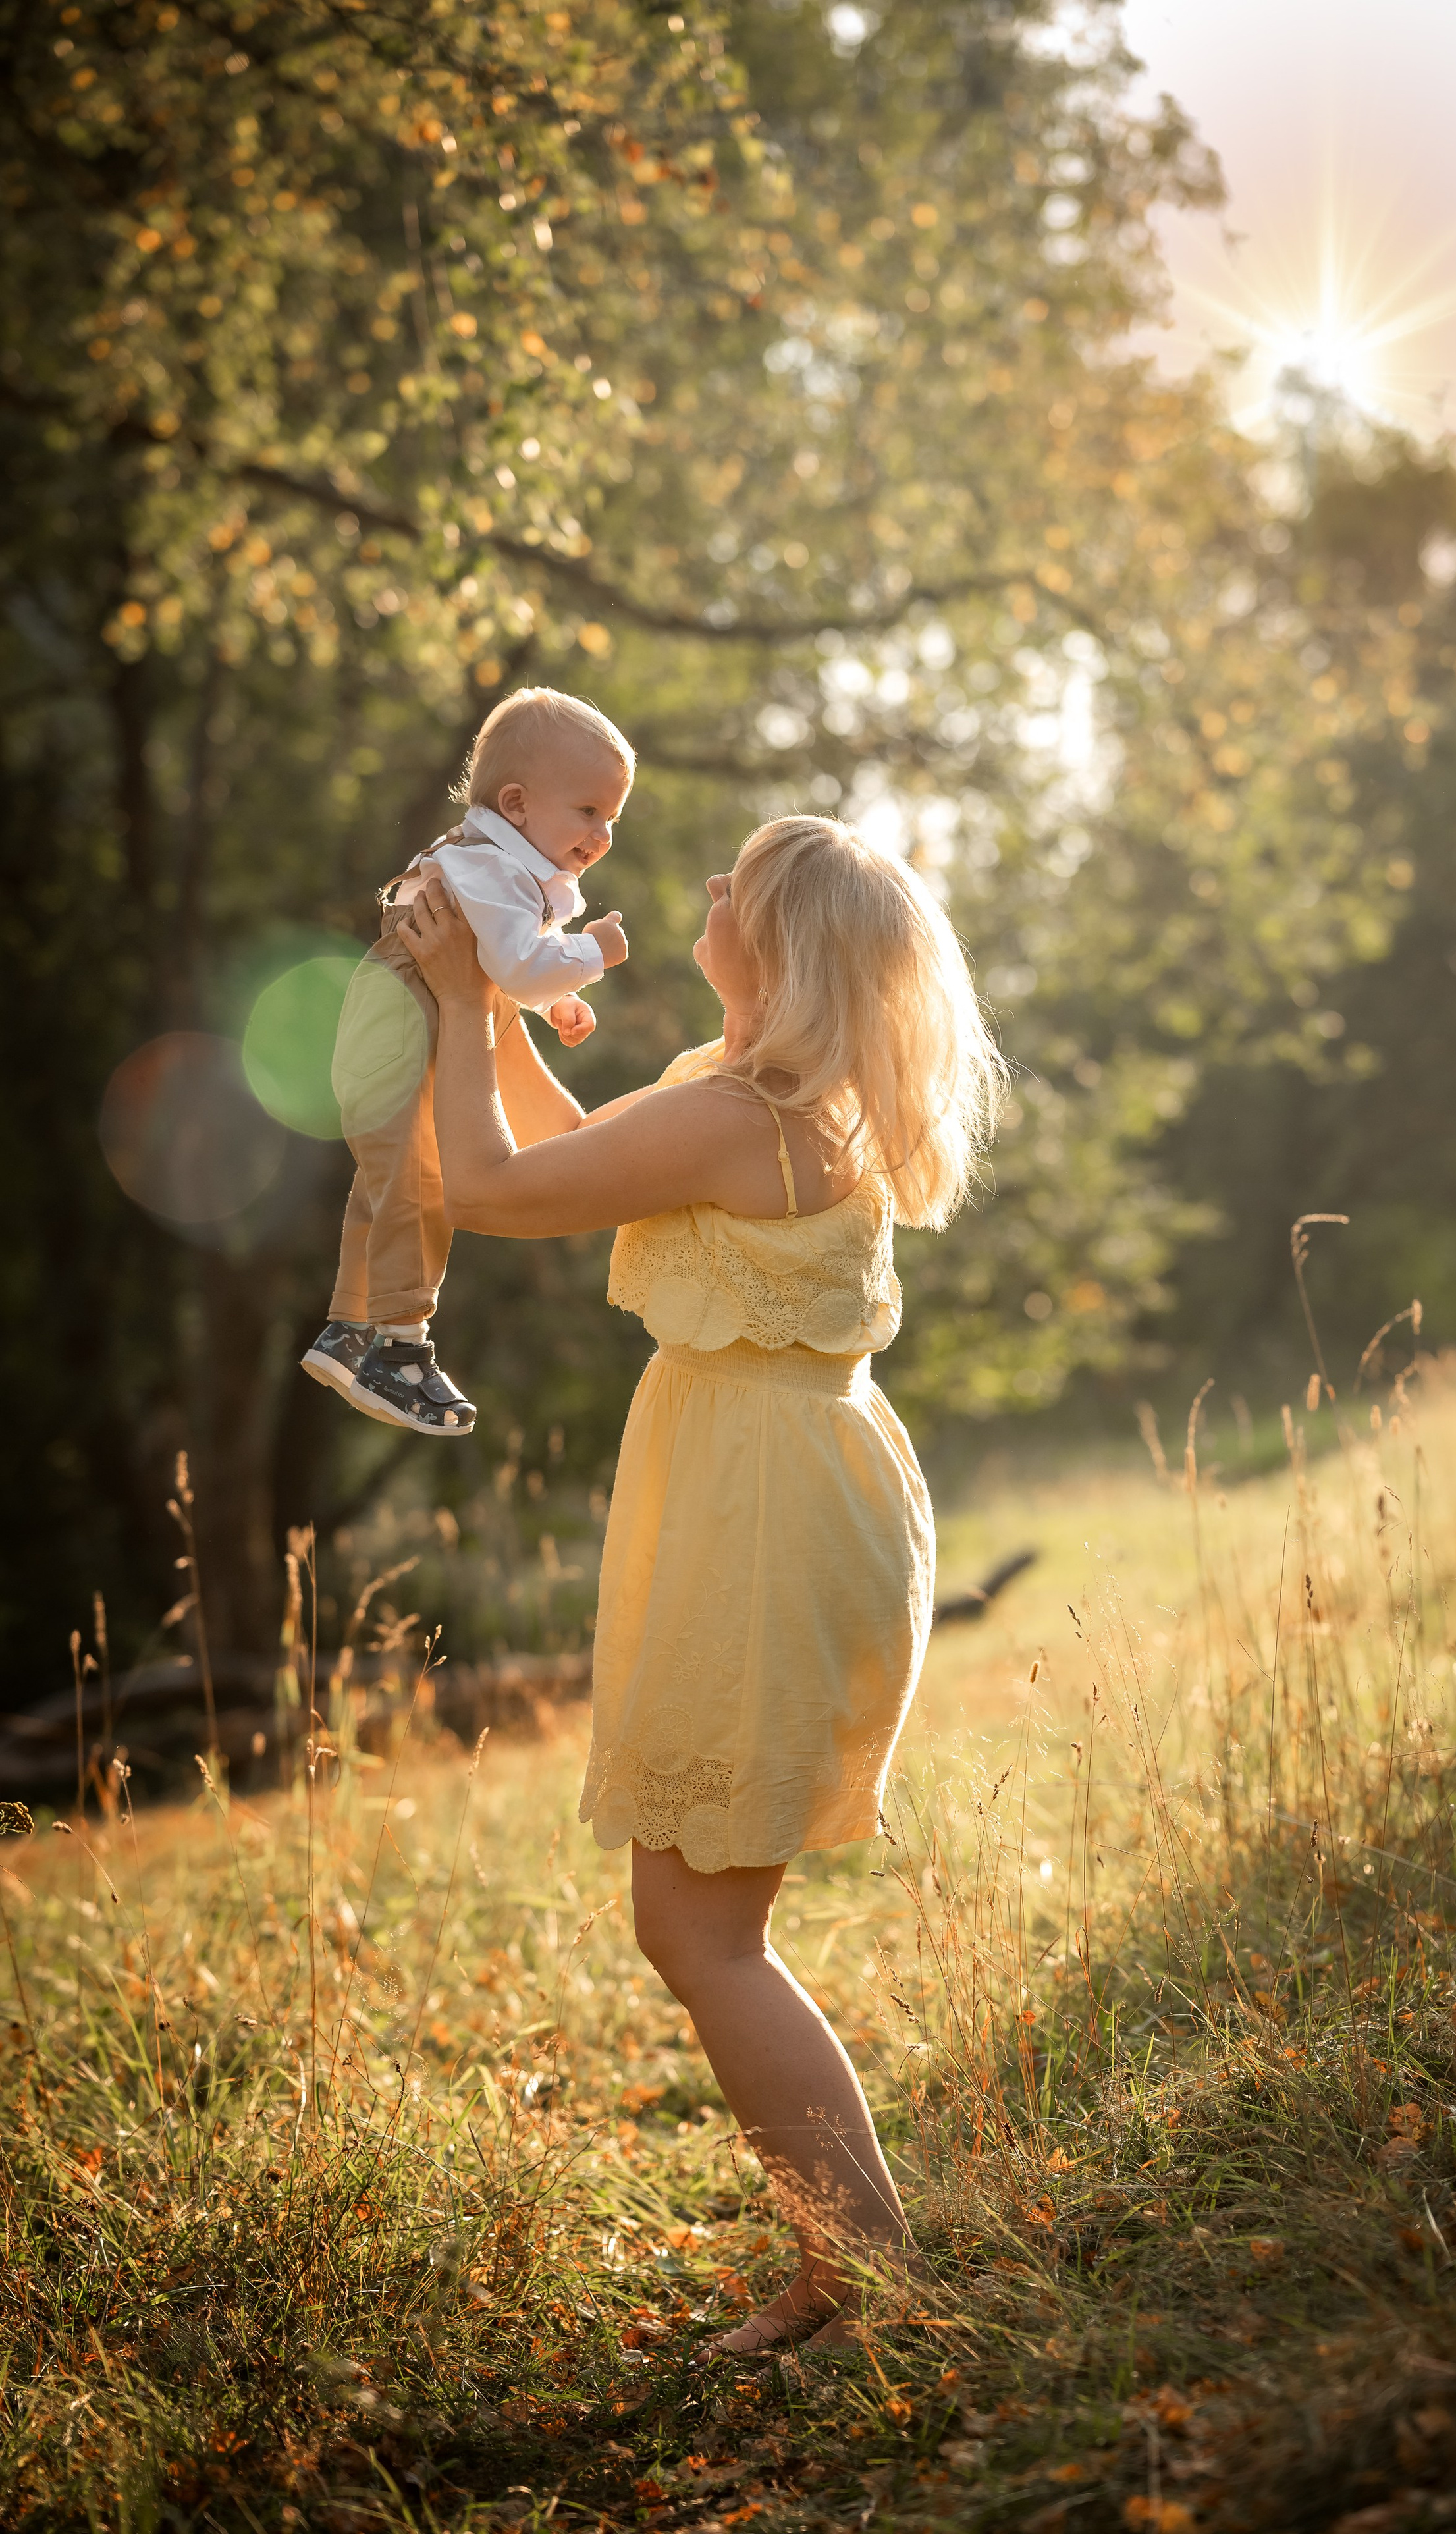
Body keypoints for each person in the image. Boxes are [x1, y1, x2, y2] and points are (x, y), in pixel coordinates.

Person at [400, 813, 1004, 2352]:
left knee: (697, 1928)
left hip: (765, 1510)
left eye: (739, 881)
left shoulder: (750, 1116)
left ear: (776, 945)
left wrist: (465, 994)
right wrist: (496, 1001)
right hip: (769, 1480)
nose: (708, 887)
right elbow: (581, 1145)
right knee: (696, 1916)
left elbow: (489, 1181)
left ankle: (858, 2268)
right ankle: (848, 2259)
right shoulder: (744, 1101)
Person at [300, 687, 634, 1436]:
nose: (604, 833)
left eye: (612, 817)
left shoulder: (491, 866)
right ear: (515, 803)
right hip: (399, 1023)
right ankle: (401, 1350)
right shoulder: (490, 867)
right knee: (422, 1180)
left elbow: (501, 960)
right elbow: (516, 964)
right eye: (589, 811)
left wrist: (556, 1004)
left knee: (387, 1179)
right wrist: (592, 955)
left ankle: (349, 1326)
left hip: (390, 1019)